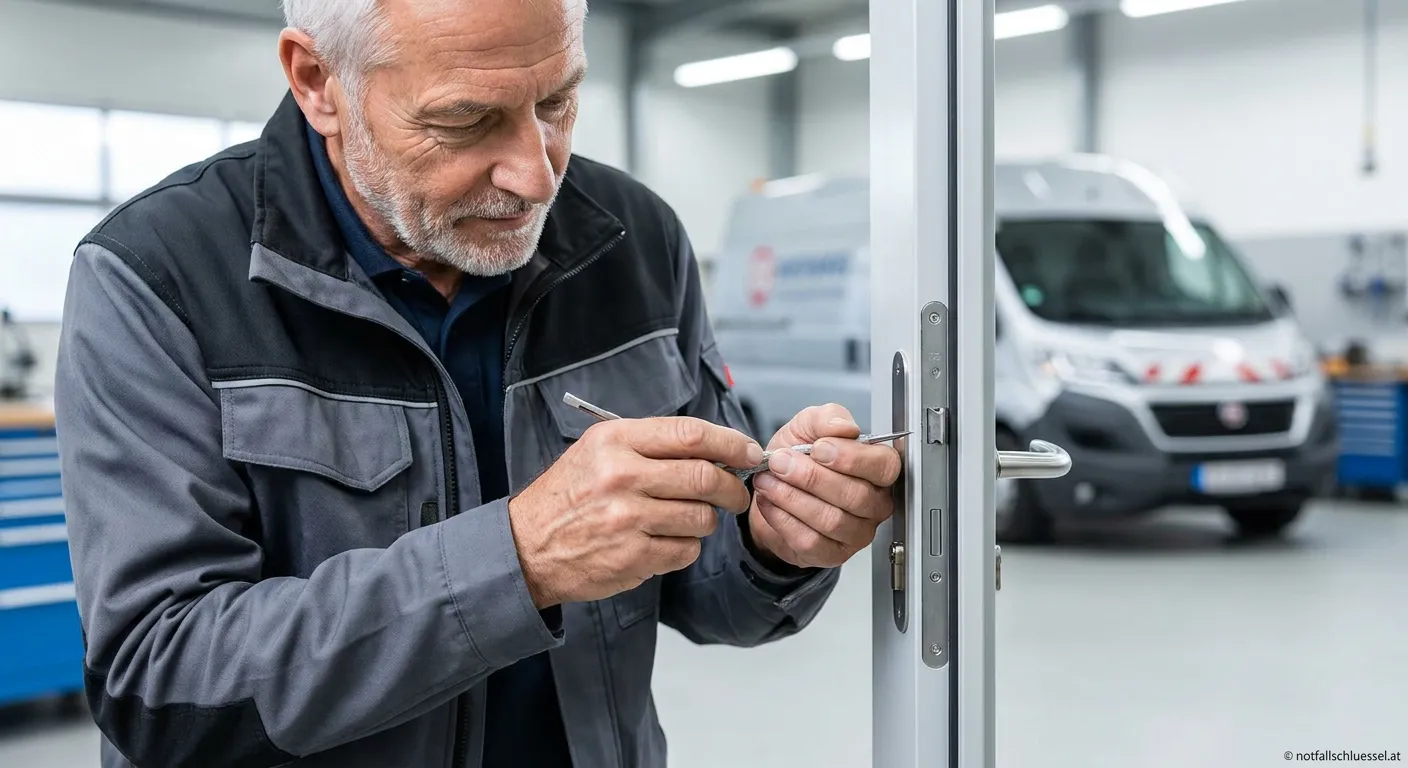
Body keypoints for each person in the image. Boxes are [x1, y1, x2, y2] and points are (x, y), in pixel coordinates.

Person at [53, 1, 901, 767]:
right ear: (318, 82)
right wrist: (519, 560)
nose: (536, 174)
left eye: (558, 102)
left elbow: (704, 589)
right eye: (467, 120)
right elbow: (159, 687)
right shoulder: (156, 277)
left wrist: (772, 541)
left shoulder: (633, 239)